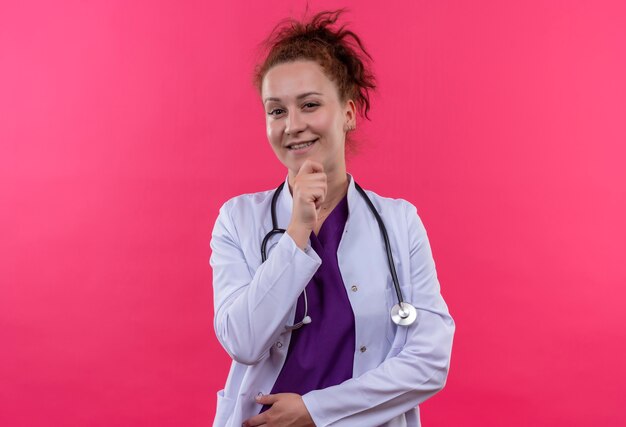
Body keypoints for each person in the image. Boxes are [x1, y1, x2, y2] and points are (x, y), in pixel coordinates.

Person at [210, 9, 455, 427]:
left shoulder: (399, 223)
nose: (293, 125)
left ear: (348, 112)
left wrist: (315, 411)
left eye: (309, 105)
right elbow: (244, 342)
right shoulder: (237, 220)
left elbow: (430, 362)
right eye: (276, 111)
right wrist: (297, 230)